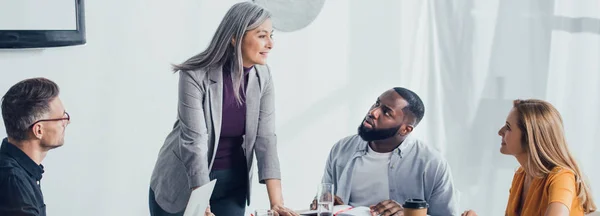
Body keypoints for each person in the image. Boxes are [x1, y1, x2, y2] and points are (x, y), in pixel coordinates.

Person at [149, 2, 297, 216]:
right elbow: (195, 143)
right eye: (262, 35)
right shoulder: (194, 75)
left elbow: (266, 139)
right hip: (183, 184)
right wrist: (201, 203)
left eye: (271, 35)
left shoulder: (263, 77)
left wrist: (277, 203)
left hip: (231, 184)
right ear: (235, 37)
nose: (271, 44)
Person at [312, 87, 459, 216]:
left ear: (405, 129)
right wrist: (323, 204)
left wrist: (409, 215)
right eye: (376, 103)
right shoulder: (341, 149)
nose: (373, 112)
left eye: (386, 112)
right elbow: (324, 200)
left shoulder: (431, 163)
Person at [461, 99, 596, 216]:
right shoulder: (521, 175)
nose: (500, 132)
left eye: (508, 127)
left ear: (530, 137)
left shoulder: (561, 177)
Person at [0, 78, 70, 216]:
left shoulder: (18, 172)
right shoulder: (13, 182)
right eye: (61, 118)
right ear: (38, 130)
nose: (67, 122)